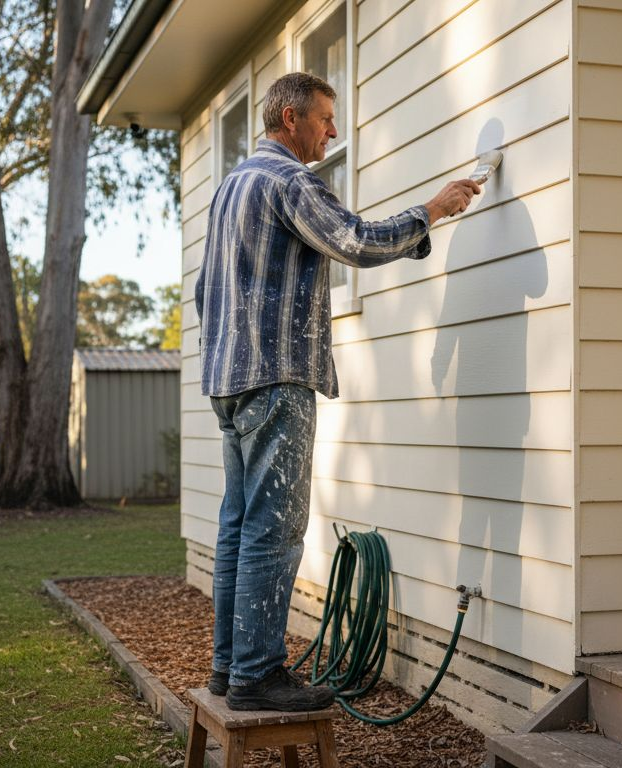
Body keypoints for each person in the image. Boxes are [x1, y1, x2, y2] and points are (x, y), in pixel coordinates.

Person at [195, 71, 480, 712]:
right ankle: (257, 677)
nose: (333, 130)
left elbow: (203, 292)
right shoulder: (291, 182)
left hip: (228, 382)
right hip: (277, 379)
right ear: (290, 119)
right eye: (325, 117)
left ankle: (227, 669)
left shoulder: (231, 188)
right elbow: (357, 240)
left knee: (238, 529)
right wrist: (432, 210)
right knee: (275, 530)